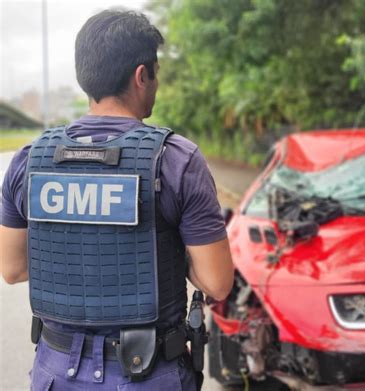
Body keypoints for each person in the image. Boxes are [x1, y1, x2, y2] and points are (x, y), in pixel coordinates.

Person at [0, 9, 234, 390]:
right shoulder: (177, 160)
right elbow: (217, 282)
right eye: (156, 74)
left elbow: (11, 268)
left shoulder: (29, 160)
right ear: (142, 76)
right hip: (150, 373)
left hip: (56, 372)